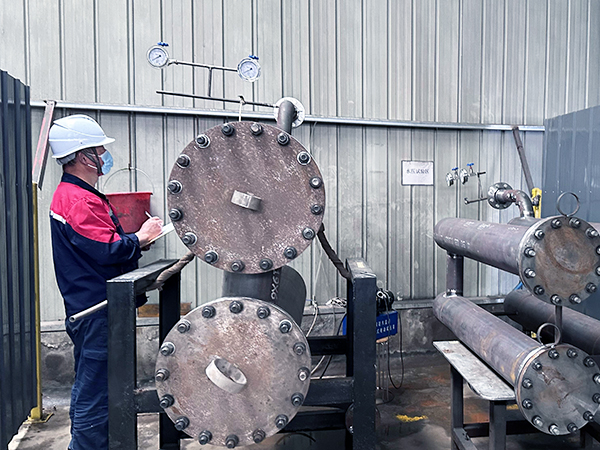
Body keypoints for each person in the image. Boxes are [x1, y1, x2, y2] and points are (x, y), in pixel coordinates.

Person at [48, 114, 162, 450]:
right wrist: (140, 238)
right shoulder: (76, 200)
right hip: (96, 310)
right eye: (99, 150)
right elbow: (105, 249)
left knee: (99, 386)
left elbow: (99, 244)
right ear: (83, 156)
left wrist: (136, 242)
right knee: (95, 391)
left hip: (98, 307)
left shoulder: (81, 195)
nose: (104, 156)